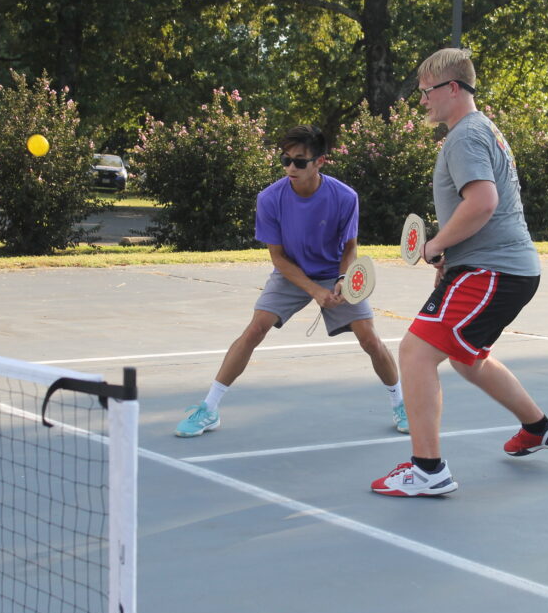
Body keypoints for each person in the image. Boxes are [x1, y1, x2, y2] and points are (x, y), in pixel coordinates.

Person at [371, 49, 548, 497]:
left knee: (416, 353)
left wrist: (438, 243)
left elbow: (482, 202)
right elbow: (480, 208)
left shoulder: (464, 136)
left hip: (494, 271)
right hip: (497, 269)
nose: (422, 100)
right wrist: (450, 257)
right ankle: (538, 427)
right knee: (466, 357)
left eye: (427, 91)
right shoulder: (482, 131)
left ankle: (427, 470)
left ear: (453, 88)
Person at [175, 124, 408, 437]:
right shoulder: (270, 198)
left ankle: (402, 405)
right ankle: (209, 408)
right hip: (291, 270)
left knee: (369, 338)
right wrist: (314, 291)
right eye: (285, 160)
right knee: (255, 329)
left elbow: (350, 247)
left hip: (333, 270)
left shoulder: (344, 197)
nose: (290, 168)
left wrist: (341, 279)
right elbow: (278, 258)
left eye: (299, 161)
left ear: (319, 162)